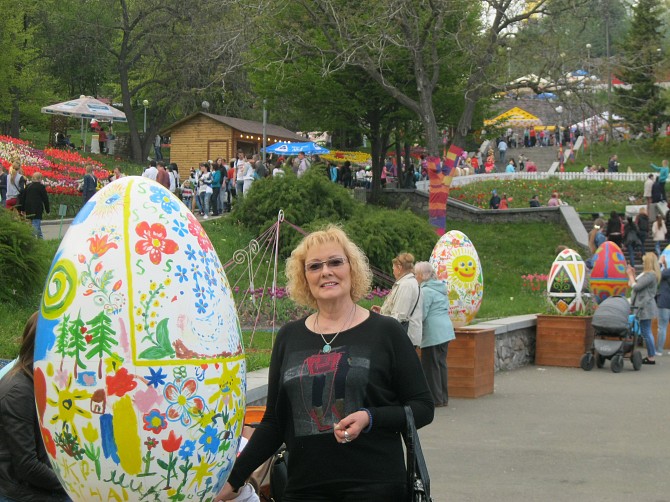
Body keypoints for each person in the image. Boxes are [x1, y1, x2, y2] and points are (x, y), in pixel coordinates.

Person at [214, 226, 434, 502]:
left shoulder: (386, 332)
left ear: (351, 269)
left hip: (375, 488)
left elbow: (423, 408)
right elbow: (274, 422)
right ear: (304, 278)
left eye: (335, 262)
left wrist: (371, 417)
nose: (325, 271)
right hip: (304, 489)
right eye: (314, 266)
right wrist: (234, 480)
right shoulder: (289, 337)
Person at [0, 312, 70, 502]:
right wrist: (74, 488)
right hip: (19, 492)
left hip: (35, 485)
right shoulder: (19, 391)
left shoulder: (38, 380)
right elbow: (27, 466)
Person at [414, 262, 455, 408]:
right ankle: (443, 397)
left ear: (422, 275)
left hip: (433, 333)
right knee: (441, 365)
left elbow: (422, 314)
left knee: (431, 367)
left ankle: (435, 399)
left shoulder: (426, 291)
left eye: (416, 274)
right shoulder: (439, 288)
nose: (415, 277)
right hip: (445, 331)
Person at [376, 253, 423, 347]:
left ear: (400, 267)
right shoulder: (408, 283)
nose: (393, 270)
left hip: (404, 337)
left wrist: (380, 320)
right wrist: (382, 311)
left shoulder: (406, 285)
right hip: (404, 337)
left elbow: (399, 316)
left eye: (393, 267)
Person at [627, 252, 660, 364]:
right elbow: (636, 284)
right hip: (645, 306)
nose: (642, 263)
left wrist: (631, 276)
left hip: (645, 306)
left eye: (644, 261)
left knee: (646, 331)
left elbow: (636, 287)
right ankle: (651, 355)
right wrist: (633, 274)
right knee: (646, 331)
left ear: (648, 263)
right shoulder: (650, 274)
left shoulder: (650, 275)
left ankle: (651, 357)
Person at [21, 173, 50, 240]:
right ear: (40, 179)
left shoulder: (28, 186)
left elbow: (23, 198)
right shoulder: (41, 187)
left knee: (35, 224)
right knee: (35, 225)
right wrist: (47, 210)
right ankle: (32, 240)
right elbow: (45, 199)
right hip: (37, 209)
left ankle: (40, 239)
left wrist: (22, 209)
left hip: (28, 208)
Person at [656, 254, 670, 355]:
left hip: (664, 301)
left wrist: (660, 262)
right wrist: (665, 266)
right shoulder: (667, 272)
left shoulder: (667, 272)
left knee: (662, 326)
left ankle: (659, 350)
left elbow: (656, 273)